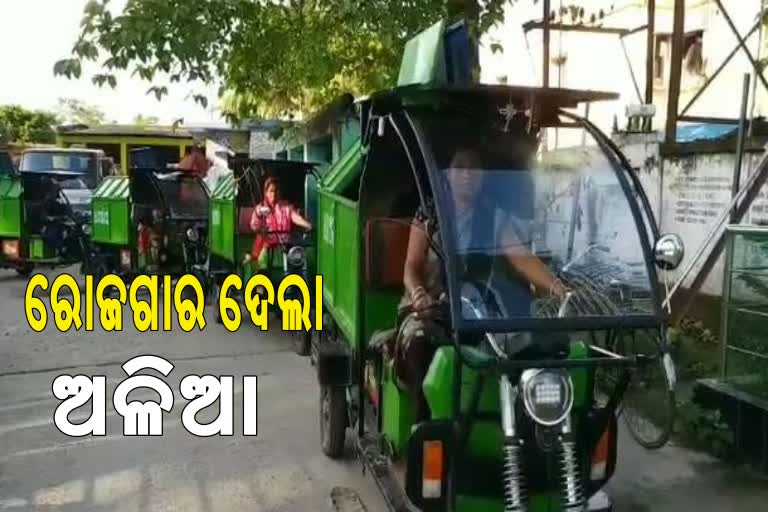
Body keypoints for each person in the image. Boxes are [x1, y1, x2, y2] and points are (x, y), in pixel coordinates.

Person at [396, 147, 567, 421]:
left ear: (483, 178)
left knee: (521, 344)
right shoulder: (429, 212)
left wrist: (559, 288)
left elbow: (522, 259)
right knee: (419, 346)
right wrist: (418, 295)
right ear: (447, 175)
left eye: (474, 169)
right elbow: (410, 267)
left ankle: (511, 422)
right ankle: (425, 427)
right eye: (460, 168)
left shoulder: (493, 216)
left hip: (474, 309)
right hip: (429, 309)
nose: (467, 175)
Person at [249, 176, 312, 269]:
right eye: (271, 191)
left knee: (299, 259)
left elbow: (295, 217)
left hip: (286, 245)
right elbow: (254, 227)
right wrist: (258, 215)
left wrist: (307, 225)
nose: (273, 194)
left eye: (276, 191)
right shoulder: (260, 209)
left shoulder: (286, 207)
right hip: (268, 246)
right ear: (266, 193)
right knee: (263, 260)